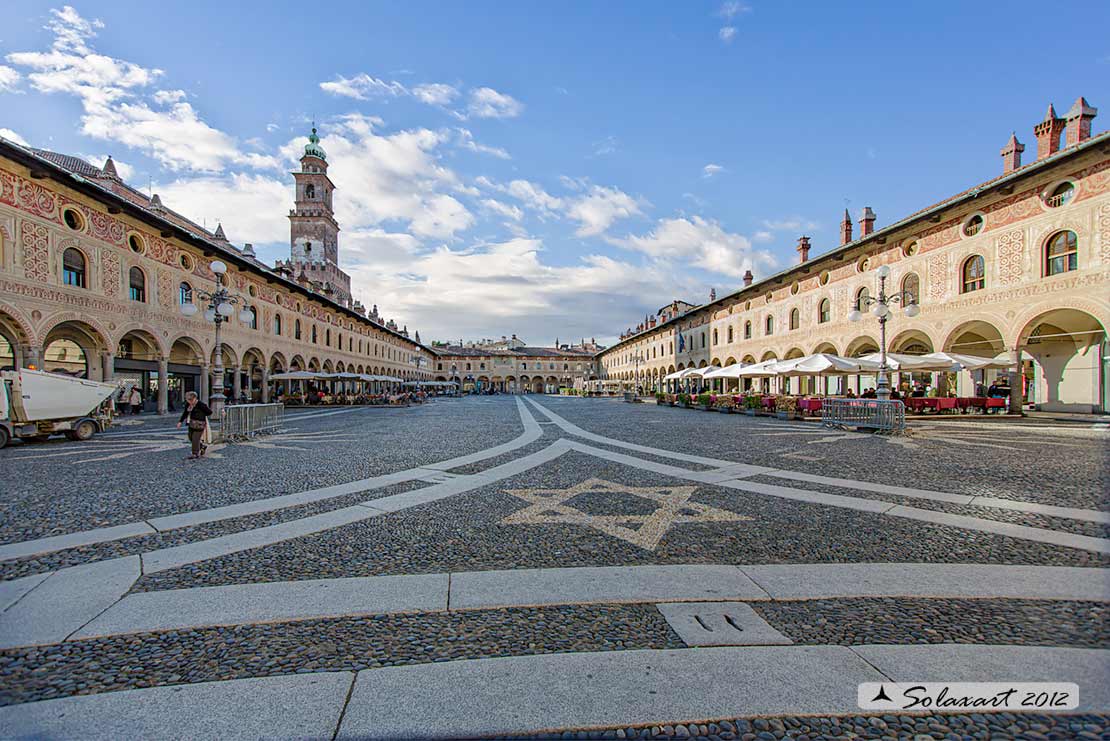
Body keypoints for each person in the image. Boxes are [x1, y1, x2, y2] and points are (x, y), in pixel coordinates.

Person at [176, 391, 213, 459]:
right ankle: (202, 446)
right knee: (190, 437)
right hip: (192, 423)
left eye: (189, 400)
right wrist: (180, 421)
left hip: (200, 424)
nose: (188, 401)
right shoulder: (188, 405)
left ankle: (195, 453)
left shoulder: (201, 404)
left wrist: (201, 414)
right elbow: (185, 413)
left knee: (195, 438)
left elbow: (209, 412)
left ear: (194, 398)